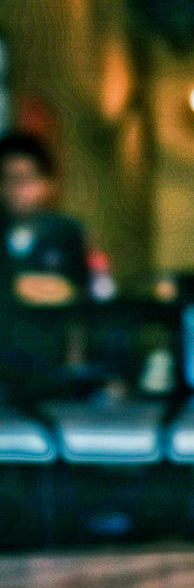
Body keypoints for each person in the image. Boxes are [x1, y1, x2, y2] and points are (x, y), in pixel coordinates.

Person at [0, 131, 89, 400]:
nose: (17, 190)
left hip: (50, 362)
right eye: (8, 179)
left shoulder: (65, 233)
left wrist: (76, 363)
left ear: (46, 184)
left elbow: (81, 303)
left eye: (26, 179)